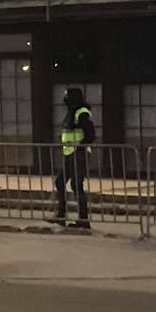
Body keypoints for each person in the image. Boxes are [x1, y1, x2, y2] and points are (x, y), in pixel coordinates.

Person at [53, 86, 95, 231]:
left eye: (67, 96)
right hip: (70, 153)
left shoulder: (81, 112)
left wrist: (80, 146)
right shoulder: (71, 112)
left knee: (76, 186)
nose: (65, 99)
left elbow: (90, 134)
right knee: (60, 182)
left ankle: (83, 220)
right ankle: (61, 215)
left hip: (78, 153)